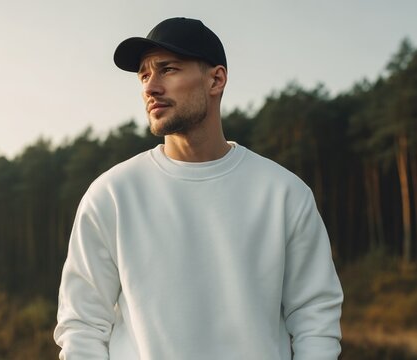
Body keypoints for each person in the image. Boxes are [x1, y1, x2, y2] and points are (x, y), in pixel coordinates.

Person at [54, 17, 343, 360]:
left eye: (168, 69)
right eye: (144, 75)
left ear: (216, 79)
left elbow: (315, 320)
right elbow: (83, 326)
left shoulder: (283, 193)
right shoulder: (112, 195)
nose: (150, 87)